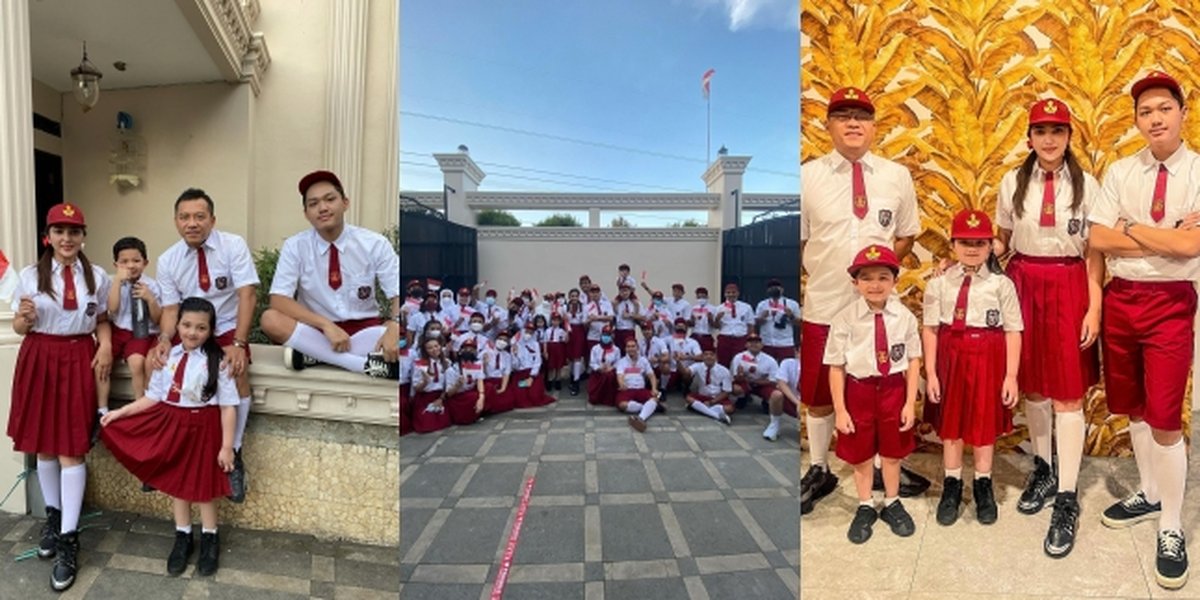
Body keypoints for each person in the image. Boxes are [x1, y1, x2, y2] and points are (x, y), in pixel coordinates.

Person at [1087, 70, 1200, 589]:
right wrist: (1152, 234)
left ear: (1181, 112)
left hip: (1171, 304)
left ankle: (1172, 526)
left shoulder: (1198, 171)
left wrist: (1131, 228)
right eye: (1144, 111)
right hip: (1121, 301)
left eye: (1163, 108)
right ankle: (1150, 492)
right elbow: (1101, 239)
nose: (1154, 118)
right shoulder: (1118, 171)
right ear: (1136, 120)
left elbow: (1190, 249)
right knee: (1131, 406)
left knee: (1165, 418)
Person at [800, 85, 928, 513]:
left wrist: (882, 273)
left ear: (874, 126)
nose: (853, 123)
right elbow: (798, 240)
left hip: (878, 309)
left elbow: (907, 232)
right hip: (825, 302)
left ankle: (881, 462)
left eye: (862, 116)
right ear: (829, 125)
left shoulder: (896, 177)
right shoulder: (807, 176)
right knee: (820, 392)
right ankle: (818, 467)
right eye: (842, 116)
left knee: (881, 385)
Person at [994, 99, 1103, 557]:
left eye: (1058, 130)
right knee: (1035, 388)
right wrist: (967, 259)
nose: (1050, 138)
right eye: (1041, 130)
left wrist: (1093, 307)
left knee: (1067, 392)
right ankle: (1044, 466)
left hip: (1069, 282)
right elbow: (1001, 238)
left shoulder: (1089, 185)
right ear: (1029, 137)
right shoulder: (1010, 182)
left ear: (1070, 136)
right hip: (1022, 282)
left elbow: (1096, 251)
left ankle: (1067, 495)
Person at [9, 203, 112, 592]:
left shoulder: (97, 276)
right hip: (39, 356)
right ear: (47, 237)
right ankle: (53, 518)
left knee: (71, 448)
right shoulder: (30, 276)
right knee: (45, 448)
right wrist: (23, 319)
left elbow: (101, 319)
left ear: (83, 235)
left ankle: (69, 539)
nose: (66, 238)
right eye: (59, 231)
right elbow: (20, 327)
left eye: (74, 231)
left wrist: (103, 347)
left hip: (77, 357)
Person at [100, 297, 237, 577]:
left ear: (210, 331)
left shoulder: (219, 362)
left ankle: (210, 537)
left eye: (201, 327)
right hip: (174, 425)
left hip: (204, 428)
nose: (192, 332)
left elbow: (227, 407)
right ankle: (182, 536)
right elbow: (153, 397)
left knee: (204, 487)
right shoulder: (167, 357)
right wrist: (120, 413)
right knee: (179, 483)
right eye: (186, 325)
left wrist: (227, 447)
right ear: (177, 325)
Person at [149, 188, 258, 503]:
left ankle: (234, 453)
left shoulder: (232, 245)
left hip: (225, 326)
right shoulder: (168, 259)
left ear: (212, 219)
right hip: (190, 329)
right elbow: (170, 310)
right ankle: (160, 453)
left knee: (236, 371)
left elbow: (246, 295)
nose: (192, 223)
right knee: (154, 365)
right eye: (185, 217)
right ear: (176, 221)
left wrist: (239, 342)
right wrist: (165, 340)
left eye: (199, 216)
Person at [923, 209, 1023, 528]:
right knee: (951, 425)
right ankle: (952, 485)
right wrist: (932, 372)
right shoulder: (939, 285)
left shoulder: (1001, 285)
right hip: (950, 357)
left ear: (990, 245)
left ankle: (983, 484)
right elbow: (930, 329)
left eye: (979, 242)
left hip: (988, 357)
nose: (971, 248)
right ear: (952, 244)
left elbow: (1013, 330)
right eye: (964, 242)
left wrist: (1010, 375)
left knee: (983, 424)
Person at [259, 171, 401, 379]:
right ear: (306, 213)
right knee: (270, 319)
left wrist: (396, 325)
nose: (323, 208)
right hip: (317, 331)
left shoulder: (374, 243)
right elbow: (278, 300)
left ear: (345, 203)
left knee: (397, 332)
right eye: (313, 204)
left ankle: (314, 356)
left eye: (330, 199)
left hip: (365, 331)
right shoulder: (295, 246)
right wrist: (326, 325)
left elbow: (398, 293)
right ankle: (361, 365)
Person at [826, 245, 922, 544]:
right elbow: (836, 366)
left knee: (892, 453)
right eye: (866, 278)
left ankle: (892, 501)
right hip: (859, 390)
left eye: (883, 277)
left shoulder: (904, 317)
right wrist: (841, 410)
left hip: (893, 388)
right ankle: (865, 504)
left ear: (895, 280)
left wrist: (909, 402)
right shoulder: (845, 318)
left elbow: (913, 360)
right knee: (861, 455)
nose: (875, 285)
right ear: (855, 283)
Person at [101, 236, 163, 405]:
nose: (130, 265)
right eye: (124, 261)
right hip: (118, 330)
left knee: (136, 362)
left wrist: (150, 299)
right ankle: (102, 406)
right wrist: (117, 282)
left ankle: (139, 403)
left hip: (141, 333)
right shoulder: (112, 284)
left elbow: (158, 319)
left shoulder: (153, 286)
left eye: (136, 260)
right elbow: (112, 309)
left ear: (145, 263)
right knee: (100, 361)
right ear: (116, 265)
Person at [616, 338, 661, 432]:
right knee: (622, 405)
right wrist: (621, 384)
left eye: (633, 346)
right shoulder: (622, 361)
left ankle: (640, 418)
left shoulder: (644, 361)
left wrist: (654, 388)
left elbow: (651, 376)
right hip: (627, 389)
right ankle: (648, 407)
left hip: (641, 389)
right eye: (628, 347)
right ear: (625, 349)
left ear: (637, 348)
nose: (631, 349)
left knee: (657, 396)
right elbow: (619, 376)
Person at [410, 337, 453, 434]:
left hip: (441, 396)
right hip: (425, 396)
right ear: (425, 350)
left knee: (444, 421)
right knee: (425, 425)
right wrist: (425, 382)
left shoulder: (447, 362)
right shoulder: (419, 364)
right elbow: (416, 387)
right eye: (430, 348)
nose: (434, 350)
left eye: (436, 346)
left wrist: (441, 399)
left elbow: (448, 385)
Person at [729, 333, 780, 411]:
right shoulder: (739, 357)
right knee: (736, 389)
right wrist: (740, 375)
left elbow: (773, 381)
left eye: (757, 342)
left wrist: (756, 382)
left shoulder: (770, 360)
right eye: (751, 342)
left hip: (762, 385)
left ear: (762, 345)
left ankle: (766, 402)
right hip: (745, 383)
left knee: (775, 394)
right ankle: (742, 397)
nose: (754, 344)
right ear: (746, 345)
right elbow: (735, 377)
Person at [755, 278, 800, 364]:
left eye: (777, 287)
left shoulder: (792, 304)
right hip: (766, 342)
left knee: (786, 367)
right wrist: (762, 318)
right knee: (766, 368)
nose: (774, 289)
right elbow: (756, 323)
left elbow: (799, 323)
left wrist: (791, 316)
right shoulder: (762, 304)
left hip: (785, 342)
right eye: (771, 287)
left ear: (782, 289)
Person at [512, 320, 555, 408]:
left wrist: (531, 376)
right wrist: (515, 355)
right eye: (527, 331)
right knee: (520, 397)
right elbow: (514, 366)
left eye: (531, 332)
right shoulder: (516, 345)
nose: (528, 334)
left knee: (535, 396)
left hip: (532, 374)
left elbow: (538, 361)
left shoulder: (535, 345)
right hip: (520, 374)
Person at [686, 348, 733, 425]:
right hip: (703, 396)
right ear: (702, 357)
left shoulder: (724, 371)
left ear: (716, 357)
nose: (709, 357)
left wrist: (712, 402)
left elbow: (726, 391)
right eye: (706, 354)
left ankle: (701, 409)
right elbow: (686, 372)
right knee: (689, 398)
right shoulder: (698, 366)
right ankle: (716, 416)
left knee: (729, 408)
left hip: (717, 397)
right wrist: (678, 362)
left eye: (711, 355)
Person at [444, 338, 485, 425]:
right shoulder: (452, 370)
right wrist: (457, 385)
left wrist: (481, 398)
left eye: (471, 349)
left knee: (481, 393)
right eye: (466, 349)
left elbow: (480, 382)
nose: (468, 351)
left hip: (470, 393)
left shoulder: (477, 365)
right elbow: (448, 394)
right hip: (457, 397)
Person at [766, 346, 802, 444]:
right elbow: (781, 383)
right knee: (776, 394)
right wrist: (798, 403)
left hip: (809, 407)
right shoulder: (788, 363)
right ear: (797, 352)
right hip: (792, 400)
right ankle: (774, 424)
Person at [713, 283, 754, 368]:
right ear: (725, 294)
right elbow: (716, 326)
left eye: (733, 292)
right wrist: (717, 319)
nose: (731, 295)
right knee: (723, 362)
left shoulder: (746, 307)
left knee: (740, 363)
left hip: (740, 338)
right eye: (728, 292)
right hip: (725, 337)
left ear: (738, 293)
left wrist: (749, 340)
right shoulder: (719, 308)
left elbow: (750, 325)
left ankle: (738, 380)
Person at [665, 317, 703, 397]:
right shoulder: (668, 339)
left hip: (686, 369)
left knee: (687, 372)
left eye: (682, 326)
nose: (680, 328)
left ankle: (686, 387)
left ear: (686, 327)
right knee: (669, 385)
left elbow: (700, 357)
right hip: (672, 368)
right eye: (678, 326)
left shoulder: (692, 342)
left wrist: (686, 357)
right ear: (674, 327)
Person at [481, 331, 514, 414]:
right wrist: (484, 364)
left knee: (508, 400)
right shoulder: (486, 352)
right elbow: (481, 372)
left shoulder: (507, 355)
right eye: (500, 339)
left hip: (499, 380)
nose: (502, 342)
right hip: (488, 381)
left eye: (505, 340)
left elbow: (506, 373)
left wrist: (503, 388)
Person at [587, 326, 621, 406]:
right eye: (605, 335)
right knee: (593, 399)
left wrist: (611, 368)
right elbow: (592, 363)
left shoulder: (616, 349)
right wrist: (599, 368)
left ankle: (608, 398)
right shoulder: (595, 348)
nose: (606, 337)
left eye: (608, 335)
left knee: (609, 376)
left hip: (610, 372)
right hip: (598, 373)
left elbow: (618, 362)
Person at [565, 288, 588, 395]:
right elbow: (564, 320)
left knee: (577, 356)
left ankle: (576, 382)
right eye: (572, 296)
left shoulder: (583, 307)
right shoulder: (565, 306)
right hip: (569, 332)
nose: (574, 298)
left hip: (579, 331)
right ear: (569, 297)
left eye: (576, 296)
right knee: (570, 356)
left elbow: (584, 320)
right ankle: (572, 376)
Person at [543, 312, 570, 391]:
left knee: (558, 367)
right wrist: (545, 351)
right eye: (553, 320)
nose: (555, 322)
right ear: (551, 321)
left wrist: (567, 332)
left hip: (559, 349)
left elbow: (566, 341)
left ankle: (558, 381)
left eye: (557, 320)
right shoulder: (547, 331)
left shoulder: (562, 331)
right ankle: (550, 381)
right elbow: (545, 342)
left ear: (560, 321)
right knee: (550, 367)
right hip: (550, 349)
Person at [688, 287, 716, 353]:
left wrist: (710, 319)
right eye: (699, 297)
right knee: (694, 354)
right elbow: (691, 324)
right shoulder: (693, 308)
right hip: (695, 334)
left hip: (707, 335)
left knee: (707, 354)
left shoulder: (713, 308)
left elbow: (715, 325)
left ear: (707, 297)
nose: (701, 299)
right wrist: (691, 321)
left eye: (703, 297)